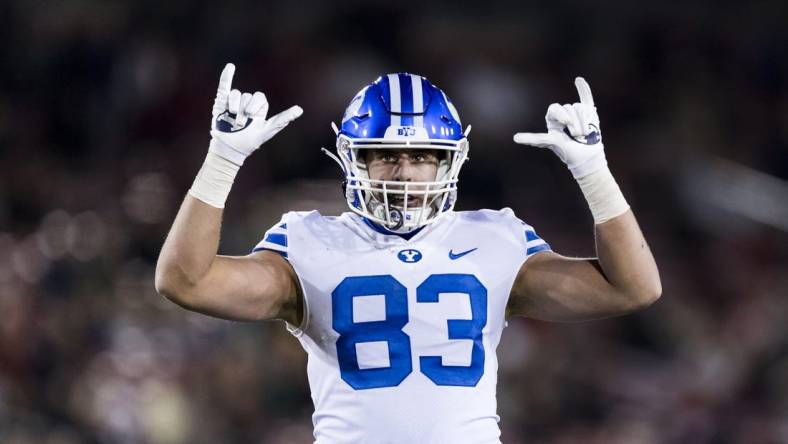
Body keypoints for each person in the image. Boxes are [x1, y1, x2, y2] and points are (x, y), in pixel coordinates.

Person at [155, 63, 661, 443]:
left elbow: (634, 286)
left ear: (450, 162)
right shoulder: (309, 240)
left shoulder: (496, 238)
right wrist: (222, 161)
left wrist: (594, 173)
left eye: (423, 156)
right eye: (386, 156)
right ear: (355, 158)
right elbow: (186, 282)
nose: (405, 172)